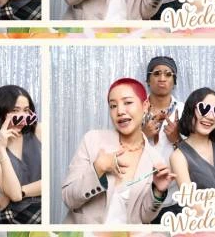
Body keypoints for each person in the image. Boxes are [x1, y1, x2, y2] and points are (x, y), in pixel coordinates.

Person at [62, 78, 176, 224]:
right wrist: (98, 168)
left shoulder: (155, 159)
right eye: (113, 106)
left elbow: (144, 217)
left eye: (127, 102)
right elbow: (68, 198)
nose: (120, 111)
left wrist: (158, 192)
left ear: (145, 105)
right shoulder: (92, 140)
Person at [0, 85, 42, 224]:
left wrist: (21, 191)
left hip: (42, 211)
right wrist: (2, 149)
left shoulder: (39, 131)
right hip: (12, 216)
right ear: (2, 112)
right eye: (15, 110)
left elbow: (49, 183)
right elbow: (14, 195)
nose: (23, 116)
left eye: (26, 110)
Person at [141, 56, 184, 223]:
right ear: (148, 79)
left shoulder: (185, 111)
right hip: (140, 199)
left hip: (175, 199)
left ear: (174, 81)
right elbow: (122, 147)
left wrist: (177, 140)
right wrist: (143, 135)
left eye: (168, 74)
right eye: (156, 73)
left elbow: (196, 156)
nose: (162, 78)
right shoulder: (135, 109)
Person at [170, 88, 215, 191]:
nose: (211, 117)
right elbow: (189, 198)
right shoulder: (178, 157)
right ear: (190, 110)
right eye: (204, 109)